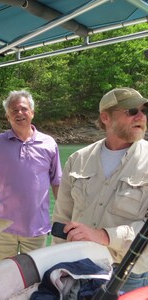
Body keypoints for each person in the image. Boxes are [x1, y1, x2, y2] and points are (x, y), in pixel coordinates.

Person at [52, 87, 148, 292]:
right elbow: (62, 218)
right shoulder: (77, 160)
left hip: (129, 276)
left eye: (144, 110)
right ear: (105, 117)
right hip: (78, 268)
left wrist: (104, 235)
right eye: (132, 111)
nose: (141, 116)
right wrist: (55, 262)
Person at [0, 90, 62, 261]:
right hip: (2, 227)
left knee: (34, 275)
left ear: (32, 113)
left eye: (23, 109)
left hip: (36, 228)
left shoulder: (49, 143)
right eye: (14, 110)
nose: (19, 113)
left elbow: (57, 182)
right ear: (8, 116)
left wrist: (65, 214)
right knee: (2, 274)